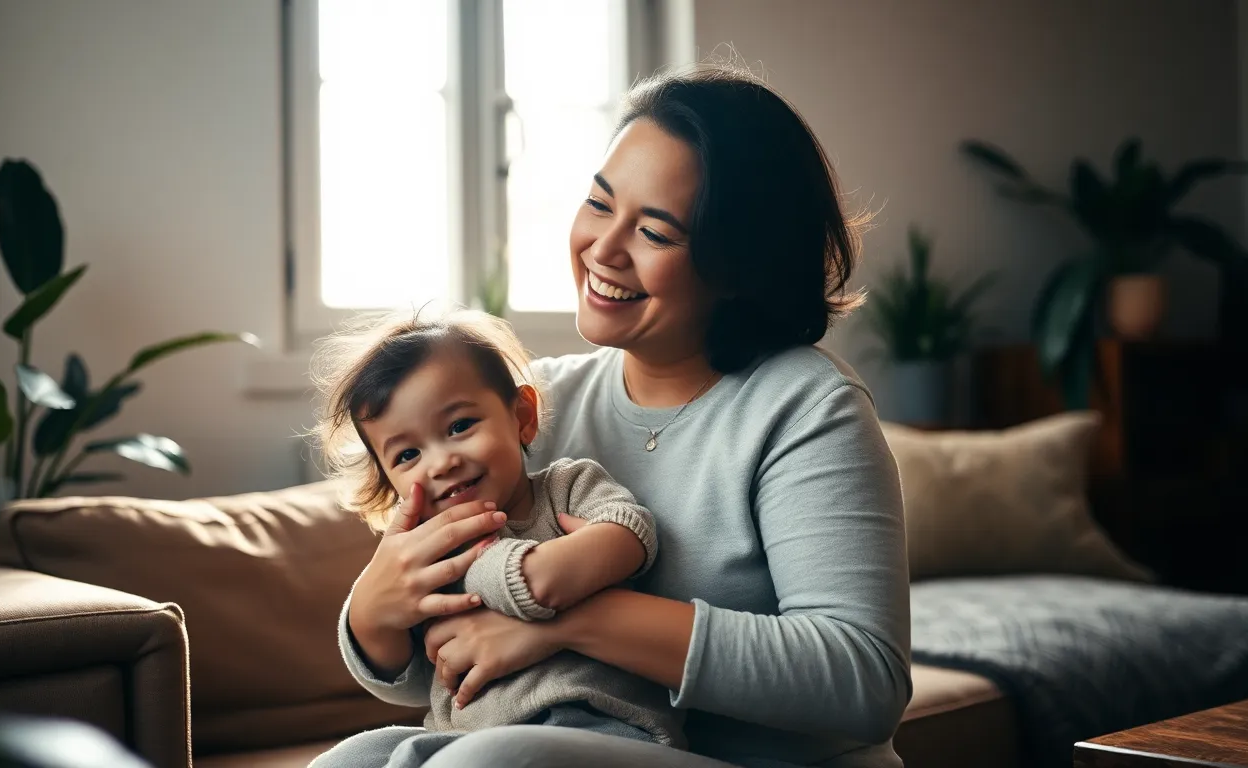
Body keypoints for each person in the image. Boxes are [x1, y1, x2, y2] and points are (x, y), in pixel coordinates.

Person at [326, 61, 910, 768]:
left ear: (738, 265)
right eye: (600, 204)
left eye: (656, 233)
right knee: (350, 763)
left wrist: (572, 621)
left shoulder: (806, 408)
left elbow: (863, 679)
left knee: (483, 765)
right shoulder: (532, 406)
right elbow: (450, 658)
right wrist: (373, 609)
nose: (603, 249)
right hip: (558, 737)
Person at [306, 309, 686, 768]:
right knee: (350, 758)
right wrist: (373, 613)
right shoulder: (427, 549)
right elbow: (401, 663)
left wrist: (534, 572)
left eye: (459, 426)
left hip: (596, 719)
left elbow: (629, 531)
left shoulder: (567, 487)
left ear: (522, 417)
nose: (442, 461)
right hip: (465, 733)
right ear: (390, 482)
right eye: (408, 454)